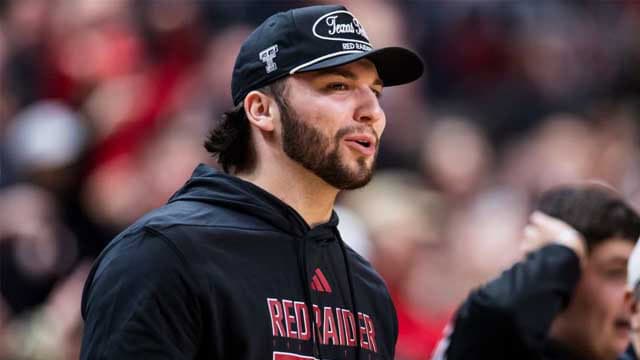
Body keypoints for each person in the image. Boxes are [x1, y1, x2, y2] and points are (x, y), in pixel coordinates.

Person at [80, 4, 423, 360]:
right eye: (338, 85)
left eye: (376, 92)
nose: (374, 112)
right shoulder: (163, 256)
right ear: (262, 110)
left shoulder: (367, 289)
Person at [432, 184, 640, 360]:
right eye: (615, 273)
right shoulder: (492, 345)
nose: (632, 294)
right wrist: (561, 252)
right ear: (562, 277)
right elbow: (498, 313)